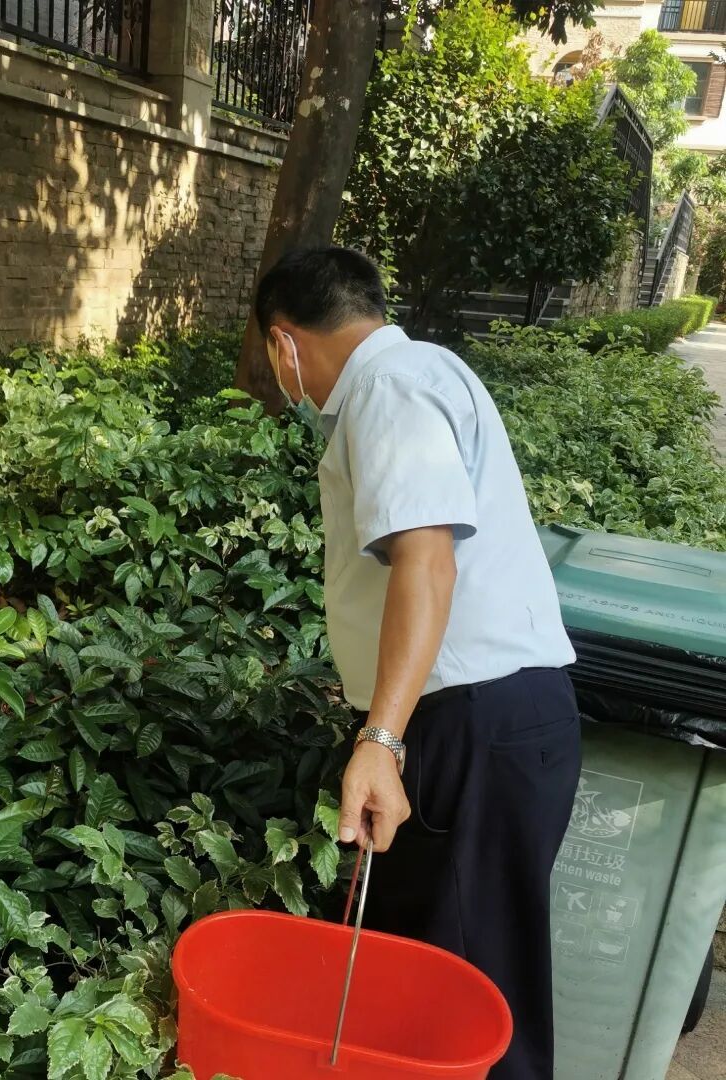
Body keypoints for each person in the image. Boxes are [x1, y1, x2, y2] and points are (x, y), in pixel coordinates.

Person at [254, 246, 582, 1080]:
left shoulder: (387, 389)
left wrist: (381, 738)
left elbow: (426, 561)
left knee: (460, 1009)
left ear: (284, 344)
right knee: (454, 988)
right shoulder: (424, 373)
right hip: (493, 722)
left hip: (469, 725)